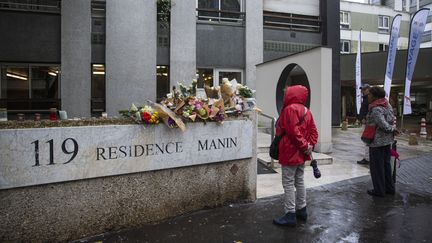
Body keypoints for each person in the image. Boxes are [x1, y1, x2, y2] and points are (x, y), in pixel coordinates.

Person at [273, 85, 318, 227]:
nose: (285, 95)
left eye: (287, 93)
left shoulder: (289, 109)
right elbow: (313, 132)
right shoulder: (306, 110)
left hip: (290, 152)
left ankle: (290, 213)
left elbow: (293, 132)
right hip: (301, 154)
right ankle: (302, 210)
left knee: (288, 183)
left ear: (291, 95)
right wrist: (308, 147)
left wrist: (304, 146)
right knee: (299, 181)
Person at [365, 86, 398, 197]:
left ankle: (379, 190)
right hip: (387, 141)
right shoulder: (387, 104)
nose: (367, 96)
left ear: (375, 96)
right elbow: (392, 119)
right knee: (386, 166)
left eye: (369, 94)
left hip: (377, 142)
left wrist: (392, 129)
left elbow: (382, 124)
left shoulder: (376, 108)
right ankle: (389, 188)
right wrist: (392, 129)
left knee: (377, 168)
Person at [357, 83, 370, 165]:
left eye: (364, 89)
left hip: (368, 123)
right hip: (366, 122)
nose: (362, 91)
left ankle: (368, 158)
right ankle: (367, 157)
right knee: (366, 141)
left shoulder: (369, 98)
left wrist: (365, 118)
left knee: (367, 141)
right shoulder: (365, 98)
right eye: (362, 89)